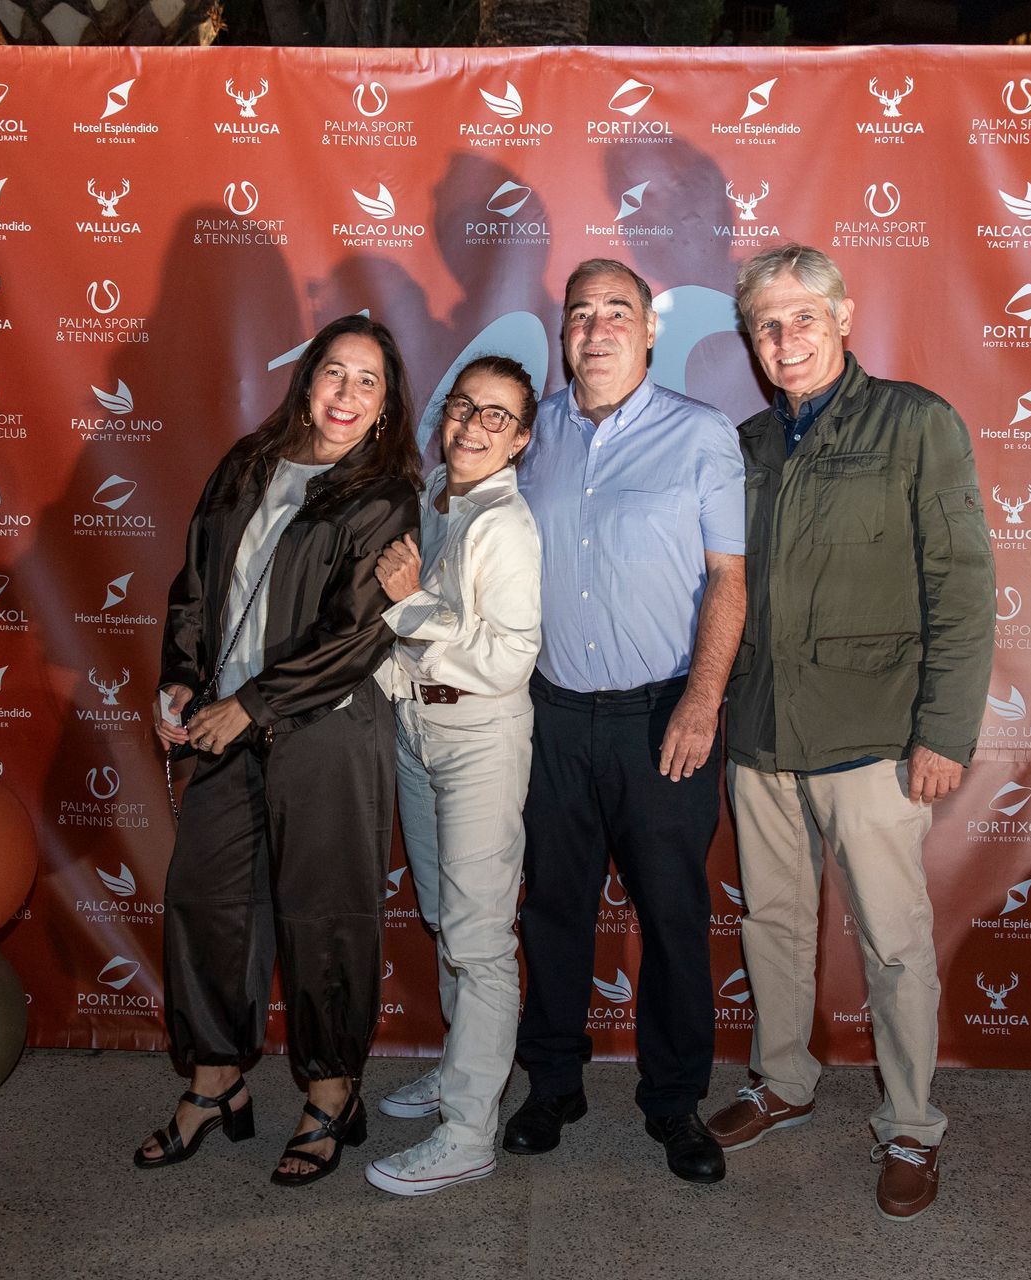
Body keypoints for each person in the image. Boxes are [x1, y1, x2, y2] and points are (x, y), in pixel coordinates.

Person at [706, 244, 994, 1221]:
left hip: (876, 733)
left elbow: (963, 585)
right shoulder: (745, 443)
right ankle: (782, 1080)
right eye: (766, 324)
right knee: (771, 922)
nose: (784, 339)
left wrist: (944, 729)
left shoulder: (916, 422)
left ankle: (911, 1123)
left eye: (802, 317)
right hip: (761, 729)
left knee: (895, 940)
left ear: (843, 316)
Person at [141, 314, 421, 1188]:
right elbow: (195, 584)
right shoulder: (247, 465)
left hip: (326, 732)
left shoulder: (386, 495)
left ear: (386, 405)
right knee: (206, 902)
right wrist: (182, 678)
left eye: (368, 380)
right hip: (223, 721)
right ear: (307, 381)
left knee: (325, 916)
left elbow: (359, 633)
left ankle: (332, 1093)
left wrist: (250, 705)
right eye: (334, 372)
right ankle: (216, 1081)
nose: (347, 393)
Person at [504, 259, 746, 1185]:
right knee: (553, 910)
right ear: (562, 334)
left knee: (674, 917)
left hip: (663, 718)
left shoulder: (701, 433)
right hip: (553, 718)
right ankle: (552, 1084)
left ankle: (675, 1102)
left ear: (650, 330)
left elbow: (728, 578)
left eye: (617, 311)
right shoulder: (531, 435)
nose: (596, 328)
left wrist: (702, 700)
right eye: (580, 313)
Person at [363, 357, 543, 1197]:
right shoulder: (437, 489)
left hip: (478, 740)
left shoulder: (506, 525)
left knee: (479, 940)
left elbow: (509, 658)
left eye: (496, 416)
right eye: (464, 407)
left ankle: (469, 1132)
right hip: (417, 729)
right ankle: (458, 1069)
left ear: (522, 439)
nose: (473, 426)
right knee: (443, 915)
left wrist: (408, 603)